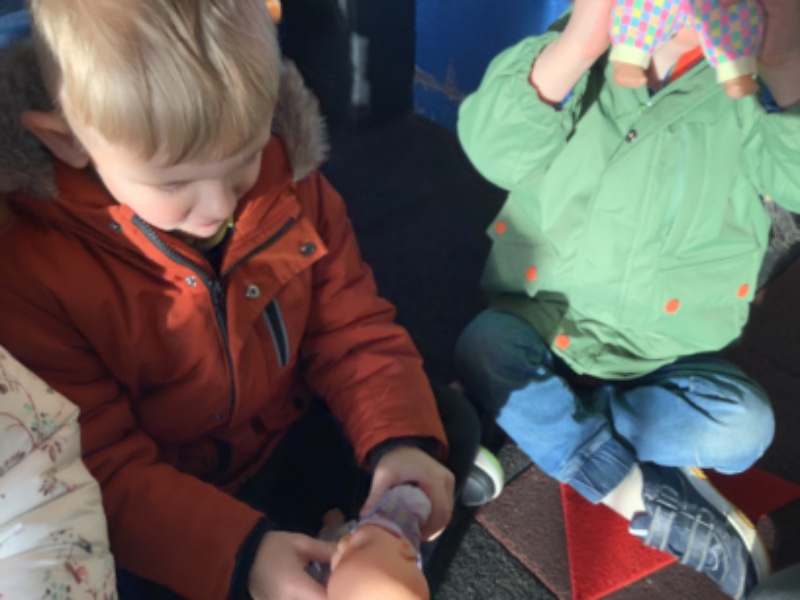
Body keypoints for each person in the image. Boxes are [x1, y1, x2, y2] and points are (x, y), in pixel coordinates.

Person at [0, 1, 491, 598]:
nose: (219, 205)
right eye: (175, 182)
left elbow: (351, 325)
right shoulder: (31, 273)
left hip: (280, 430)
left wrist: (398, 440)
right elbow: (100, 466)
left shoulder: (289, 179)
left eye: (244, 159)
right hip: (166, 499)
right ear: (67, 141)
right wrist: (243, 556)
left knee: (443, 424)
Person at [454, 0, 800, 598]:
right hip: (542, 321)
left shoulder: (749, 85)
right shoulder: (584, 47)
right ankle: (628, 489)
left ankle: (528, 418)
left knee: (745, 429)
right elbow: (493, 151)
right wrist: (580, 43)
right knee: (485, 344)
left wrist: (784, 61)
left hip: (661, 357)